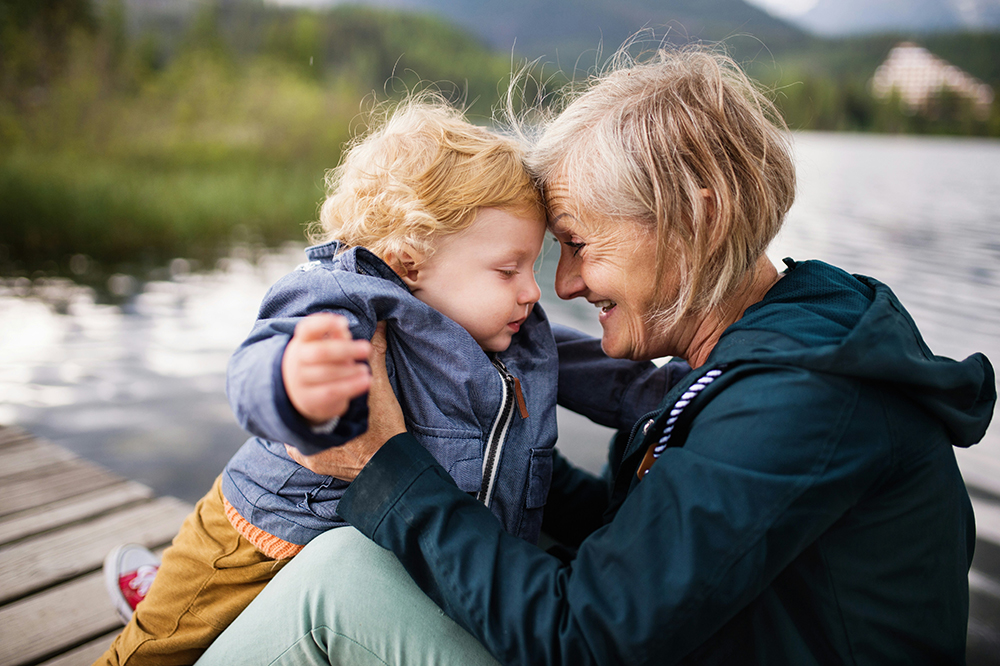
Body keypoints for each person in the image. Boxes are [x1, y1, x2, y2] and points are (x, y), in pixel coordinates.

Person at [194, 46, 996, 665]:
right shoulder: (782, 347)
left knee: (340, 581)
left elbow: (586, 640)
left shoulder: (803, 403)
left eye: (577, 244)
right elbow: (654, 542)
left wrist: (384, 466)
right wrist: (492, 472)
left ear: (696, 221)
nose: (565, 284)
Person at [96, 98, 645, 666]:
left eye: (531, 266)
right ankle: (160, 597)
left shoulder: (515, 330)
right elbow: (258, 360)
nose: (533, 291)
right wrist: (294, 385)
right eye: (508, 270)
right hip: (255, 548)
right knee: (156, 651)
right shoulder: (349, 299)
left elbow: (614, 381)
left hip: (397, 560)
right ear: (410, 264)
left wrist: (688, 388)